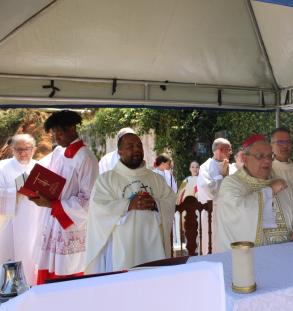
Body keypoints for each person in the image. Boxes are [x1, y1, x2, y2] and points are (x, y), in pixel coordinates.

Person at [85, 133, 176, 273]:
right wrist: (128, 204)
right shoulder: (106, 180)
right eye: (130, 146)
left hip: (152, 246)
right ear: (120, 152)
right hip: (120, 248)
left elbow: (169, 200)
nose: (137, 149)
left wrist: (156, 204)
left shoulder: (156, 179)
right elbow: (98, 208)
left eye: (139, 146)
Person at [29, 110, 98, 284]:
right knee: (49, 272)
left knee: (68, 277)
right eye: (53, 133)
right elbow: (52, 180)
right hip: (53, 220)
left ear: (72, 129)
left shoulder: (86, 157)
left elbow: (88, 200)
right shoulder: (59, 152)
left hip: (71, 226)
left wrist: (52, 204)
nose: (56, 137)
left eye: (59, 132)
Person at [216, 134, 293, 252]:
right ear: (245, 159)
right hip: (248, 259)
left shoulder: (281, 183)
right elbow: (239, 212)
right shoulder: (232, 184)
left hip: (287, 254)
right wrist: (270, 190)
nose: (267, 160)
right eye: (260, 156)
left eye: (270, 156)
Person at [0, 134, 43, 284]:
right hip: (10, 223)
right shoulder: (2, 167)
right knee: (9, 257)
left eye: (27, 149)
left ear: (34, 149)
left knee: (33, 257)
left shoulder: (40, 167)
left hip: (35, 219)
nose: (23, 153)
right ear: (12, 149)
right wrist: (16, 191)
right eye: (19, 149)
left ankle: (33, 286)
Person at [197, 138, 232, 254]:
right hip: (211, 214)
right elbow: (210, 191)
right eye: (229, 149)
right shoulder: (205, 168)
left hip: (228, 214)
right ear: (220, 150)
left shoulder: (230, 167)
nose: (231, 152)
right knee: (211, 247)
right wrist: (222, 176)